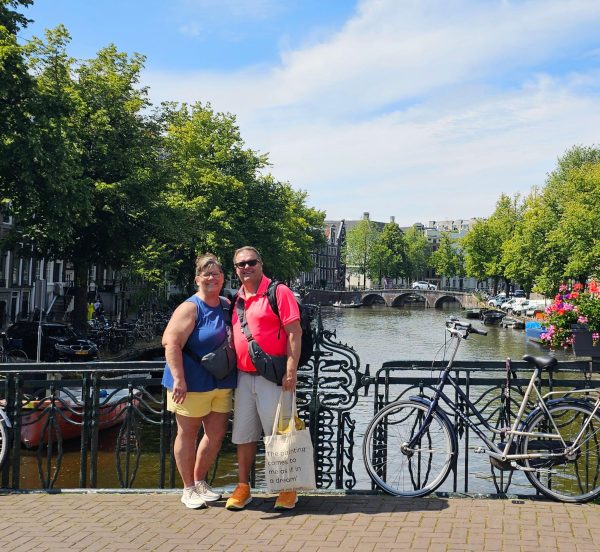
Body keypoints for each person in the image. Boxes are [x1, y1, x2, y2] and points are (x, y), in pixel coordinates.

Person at [225, 246, 302, 511]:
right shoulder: (237, 298)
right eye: (240, 264)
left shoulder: (278, 292)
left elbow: (294, 332)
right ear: (235, 269)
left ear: (261, 263)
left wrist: (291, 368)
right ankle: (244, 486)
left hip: (273, 377)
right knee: (244, 434)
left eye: (251, 262)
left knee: (279, 434)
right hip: (244, 377)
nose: (246, 267)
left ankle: (286, 488)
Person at [162, 254, 237, 509]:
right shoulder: (190, 307)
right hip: (191, 383)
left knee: (215, 435)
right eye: (206, 273)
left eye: (216, 273)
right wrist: (179, 379)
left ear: (223, 277)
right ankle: (188, 489)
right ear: (197, 279)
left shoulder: (227, 305)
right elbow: (170, 342)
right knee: (188, 434)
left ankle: (200, 481)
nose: (211, 277)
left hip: (221, 382)